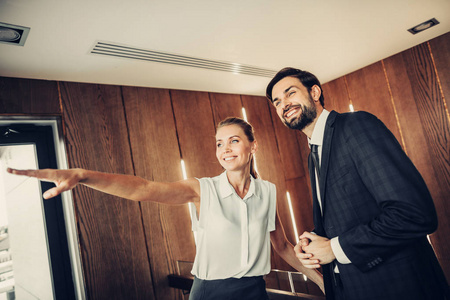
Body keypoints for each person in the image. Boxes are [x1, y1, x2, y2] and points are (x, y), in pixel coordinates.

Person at [8, 117, 324, 300]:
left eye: (233, 141)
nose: (225, 149)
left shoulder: (267, 191)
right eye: (219, 143)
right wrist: (83, 176)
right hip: (210, 292)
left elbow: (281, 245)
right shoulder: (203, 189)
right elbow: (144, 189)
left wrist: (323, 282)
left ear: (253, 146)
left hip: (255, 289)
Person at [266, 67, 449, 300]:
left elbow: (414, 213)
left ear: (314, 92)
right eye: (277, 102)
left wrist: (334, 248)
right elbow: (347, 216)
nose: (284, 104)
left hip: (400, 287)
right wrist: (313, 240)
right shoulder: (313, 153)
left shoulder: (356, 126)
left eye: (290, 93)